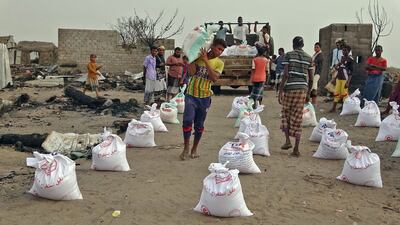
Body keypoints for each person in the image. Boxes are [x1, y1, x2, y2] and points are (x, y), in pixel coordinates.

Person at [179, 39, 226, 160]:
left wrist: (206, 61)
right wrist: (194, 58)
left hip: (205, 97)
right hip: (191, 94)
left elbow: (214, 78)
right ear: (212, 46)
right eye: (218, 48)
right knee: (187, 121)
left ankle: (194, 149)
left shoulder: (219, 63)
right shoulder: (197, 57)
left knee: (199, 125)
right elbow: (191, 72)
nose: (220, 52)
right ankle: (186, 148)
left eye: (222, 50)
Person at [278, 36, 313, 157]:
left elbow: (286, 74)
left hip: (290, 88)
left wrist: (280, 91)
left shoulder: (289, 55)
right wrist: (308, 93)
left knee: (285, 114)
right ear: (303, 45)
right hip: (302, 90)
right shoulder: (309, 58)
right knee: (298, 118)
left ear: (293, 44)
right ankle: (296, 149)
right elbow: (311, 78)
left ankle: (288, 141)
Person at [329, 44, 353, 112]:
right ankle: (334, 108)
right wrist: (335, 78)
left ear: (348, 51)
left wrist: (348, 82)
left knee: (344, 94)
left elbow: (351, 72)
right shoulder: (342, 58)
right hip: (339, 78)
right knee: (336, 93)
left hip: (345, 79)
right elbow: (338, 68)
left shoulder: (350, 60)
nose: (344, 51)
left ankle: (345, 108)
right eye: (343, 50)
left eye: (345, 50)